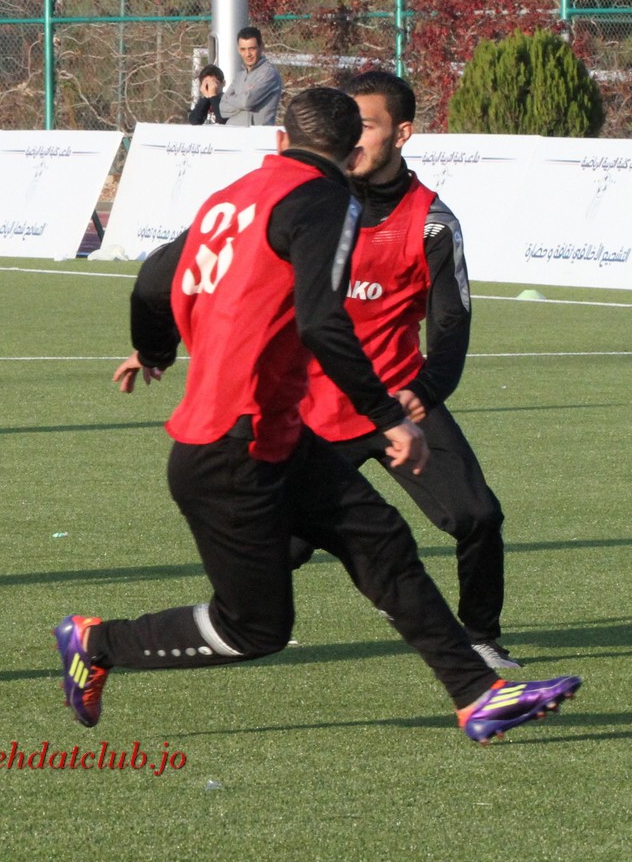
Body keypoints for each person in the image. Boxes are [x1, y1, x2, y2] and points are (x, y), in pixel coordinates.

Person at [57, 88, 580, 743]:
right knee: (253, 629)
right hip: (233, 446)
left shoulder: (233, 195)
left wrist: (155, 348)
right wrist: (389, 415)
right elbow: (322, 322)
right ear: (350, 153)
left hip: (273, 434)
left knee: (381, 539)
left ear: (281, 140)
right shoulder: (327, 199)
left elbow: (153, 278)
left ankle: (479, 696)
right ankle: (94, 641)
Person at [292, 71, 517, 670]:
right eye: (346, 126)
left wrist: (422, 392)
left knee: (477, 516)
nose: (352, 139)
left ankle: (480, 637)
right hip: (315, 408)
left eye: (366, 126)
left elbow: (451, 329)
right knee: (277, 549)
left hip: (399, 403)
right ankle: (225, 628)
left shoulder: (433, 222)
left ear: (403, 133)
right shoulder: (308, 206)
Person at [219, 26, 283, 127]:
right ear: (238, 50)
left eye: (252, 49)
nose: (247, 54)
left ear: (261, 47)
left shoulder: (269, 73)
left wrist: (231, 99)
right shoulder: (239, 77)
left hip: (256, 135)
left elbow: (247, 102)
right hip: (232, 132)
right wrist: (242, 100)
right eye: (243, 49)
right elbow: (222, 107)